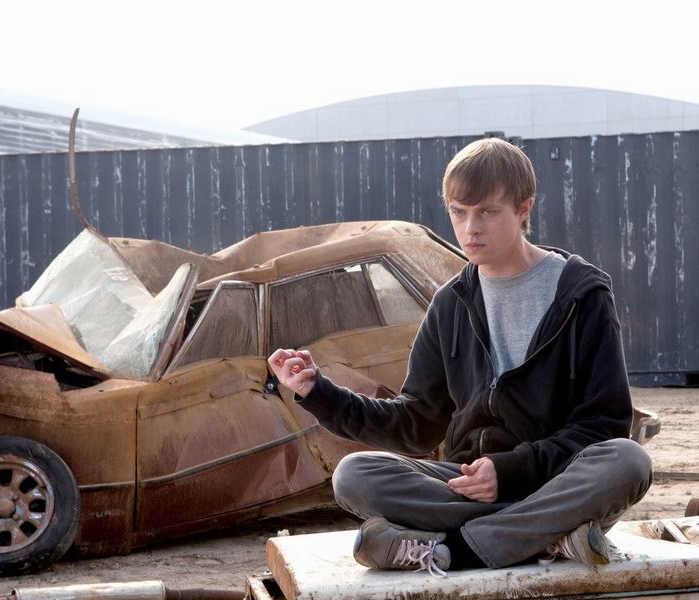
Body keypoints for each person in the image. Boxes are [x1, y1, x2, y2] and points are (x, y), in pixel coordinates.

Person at [267, 137, 652, 576]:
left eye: (487, 212)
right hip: (468, 487)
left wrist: (509, 471)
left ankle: (457, 549)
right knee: (354, 475)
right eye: (459, 212)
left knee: (628, 461)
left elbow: (603, 426)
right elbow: (415, 425)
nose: (471, 229)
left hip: (556, 482)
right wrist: (317, 392)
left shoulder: (581, 295)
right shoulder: (451, 304)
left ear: (524, 209)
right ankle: (546, 537)